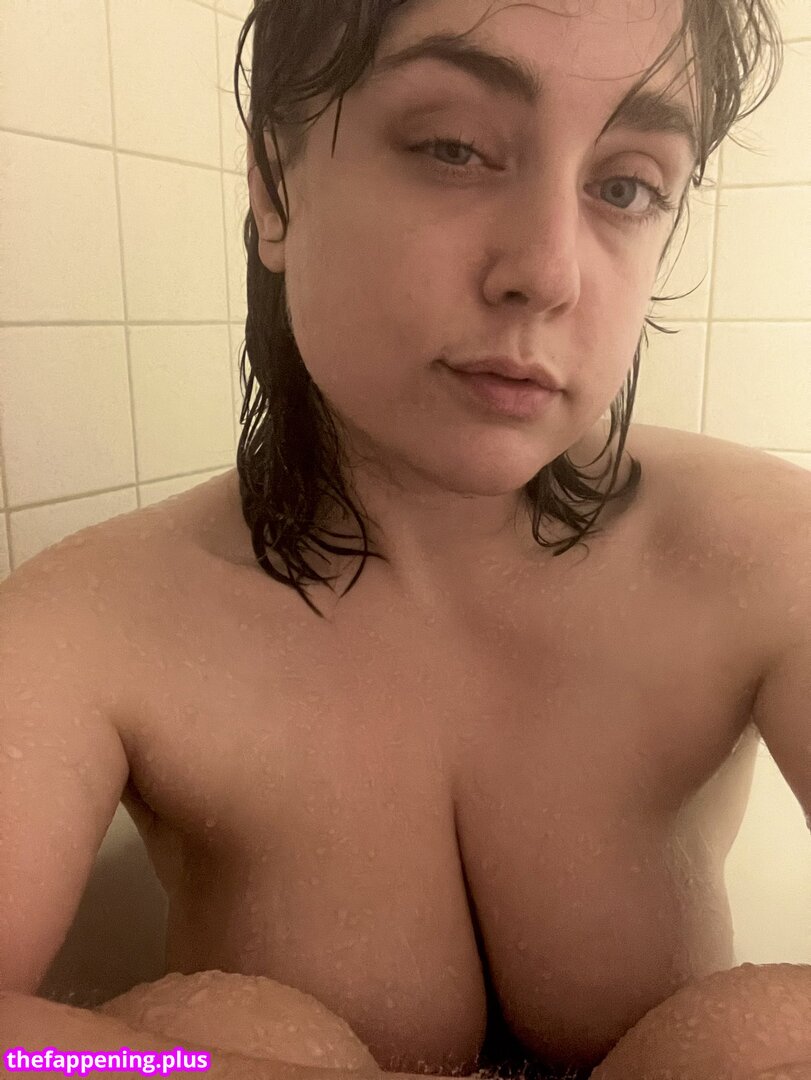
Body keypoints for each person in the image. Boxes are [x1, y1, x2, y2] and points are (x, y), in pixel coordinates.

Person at [1, 0, 809, 1077]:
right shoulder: (99, 622)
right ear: (275, 186)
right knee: (224, 1038)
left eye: (624, 186)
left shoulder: (766, 556)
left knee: (767, 1042)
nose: (548, 273)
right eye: (452, 148)